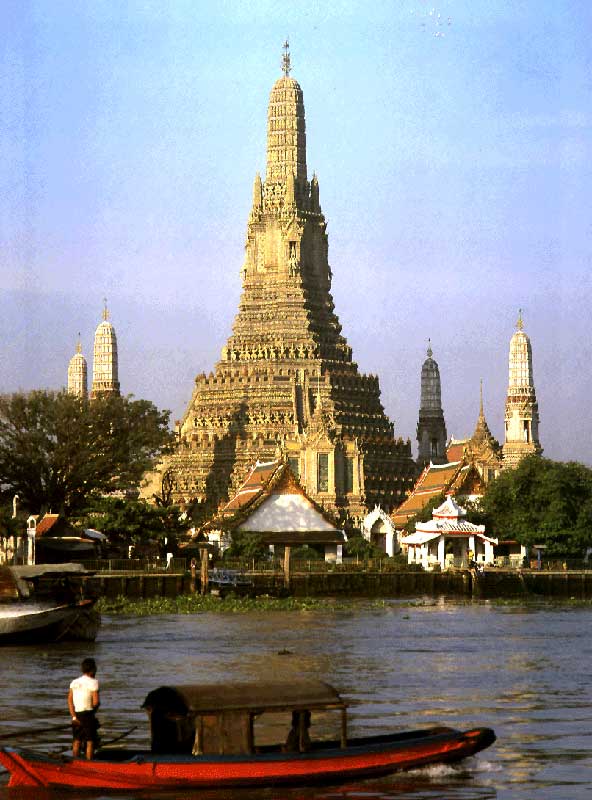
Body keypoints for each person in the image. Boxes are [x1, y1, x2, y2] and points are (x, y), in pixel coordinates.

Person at [68, 657, 100, 759]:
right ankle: (89, 764)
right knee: (90, 741)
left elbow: (69, 700)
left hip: (77, 714)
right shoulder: (94, 682)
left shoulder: (74, 682)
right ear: (93, 670)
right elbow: (96, 702)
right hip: (88, 714)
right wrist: (93, 712)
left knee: (77, 740)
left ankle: (75, 762)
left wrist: (73, 717)